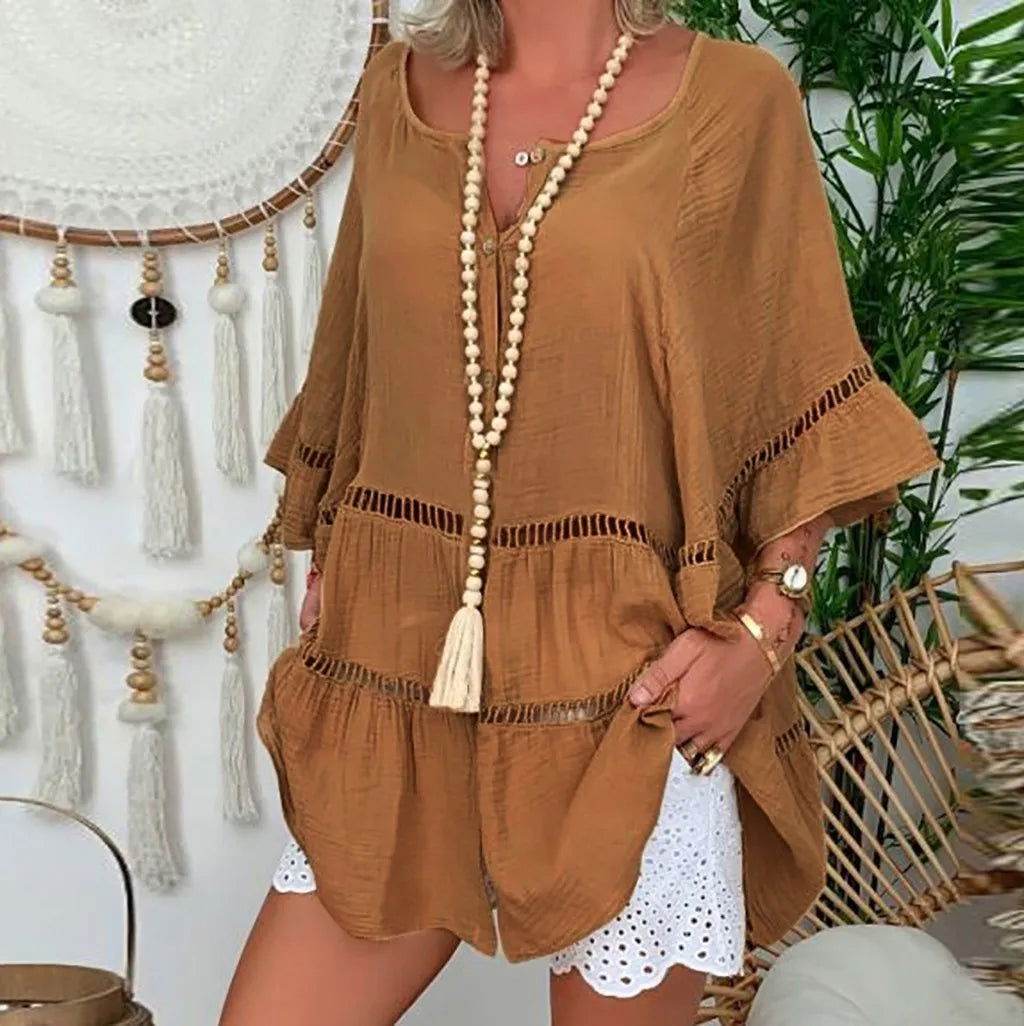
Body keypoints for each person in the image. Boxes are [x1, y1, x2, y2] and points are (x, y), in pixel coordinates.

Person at [220, 2, 939, 1023]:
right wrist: (337, 557)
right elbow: (359, 356)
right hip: (403, 677)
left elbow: (788, 376)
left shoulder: (736, 102)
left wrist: (765, 628)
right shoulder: (395, 91)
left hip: (629, 697)